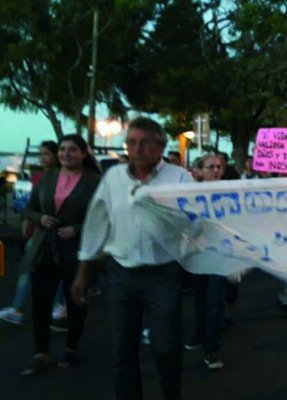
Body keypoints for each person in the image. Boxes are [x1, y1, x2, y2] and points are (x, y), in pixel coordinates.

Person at [71, 117, 193, 400]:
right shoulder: (113, 178)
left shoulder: (179, 178)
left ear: (160, 146)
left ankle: (171, 394)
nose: (136, 149)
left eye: (144, 142)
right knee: (122, 351)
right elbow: (97, 223)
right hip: (121, 276)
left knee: (165, 348)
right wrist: (82, 273)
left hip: (163, 275)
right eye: (131, 142)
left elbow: (197, 223)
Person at [19, 135, 101, 376]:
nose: (67, 154)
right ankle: (41, 351)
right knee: (41, 302)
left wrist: (76, 229)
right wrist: (40, 218)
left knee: (75, 300)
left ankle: (72, 347)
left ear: (83, 154)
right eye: (63, 149)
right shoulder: (47, 178)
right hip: (45, 248)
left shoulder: (94, 181)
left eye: (73, 150)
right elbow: (30, 208)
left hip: (77, 251)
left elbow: (102, 218)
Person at [0, 141, 63, 326]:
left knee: (53, 270)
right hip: (40, 231)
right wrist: (28, 220)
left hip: (54, 231)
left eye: (46, 154)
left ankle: (52, 305)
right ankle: (24, 308)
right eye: (41, 154)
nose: (42, 158)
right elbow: (30, 204)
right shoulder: (38, 177)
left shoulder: (62, 177)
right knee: (35, 269)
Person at [184, 153, 228, 370]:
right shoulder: (189, 194)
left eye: (219, 166)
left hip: (221, 255)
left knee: (215, 302)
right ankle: (200, 333)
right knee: (200, 299)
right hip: (199, 253)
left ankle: (211, 349)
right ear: (198, 171)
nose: (216, 170)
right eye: (211, 167)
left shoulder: (231, 193)